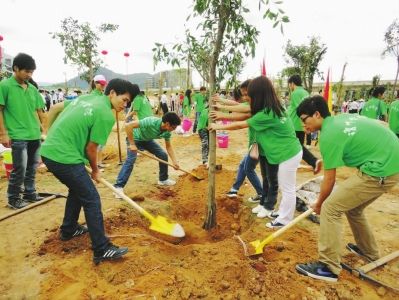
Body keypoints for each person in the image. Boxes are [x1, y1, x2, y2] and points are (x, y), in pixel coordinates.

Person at [295, 96, 399, 282]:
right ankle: (369, 251)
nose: (303, 125)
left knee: (331, 207)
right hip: (390, 162)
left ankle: (328, 267)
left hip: (380, 169)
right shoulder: (338, 120)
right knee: (353, 208)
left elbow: (330, 177)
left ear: (317, 114)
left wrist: (319, 203)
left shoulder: (329, 135)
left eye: (304, 120)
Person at [40, 78, 136, 264]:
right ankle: (102, 249)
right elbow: (91, 149)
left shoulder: (87, 98)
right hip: (64, 157)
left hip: (49, 152)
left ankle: (69, 230)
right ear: (112, 93)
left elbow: (55, 108)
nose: (125, 105)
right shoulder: (105, 115)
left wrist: (48, 132)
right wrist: (95, 170)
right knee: (91, 198)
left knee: (77, 189)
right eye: (124, 100)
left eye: (128, 103)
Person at [210, 76, 302, 228]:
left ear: (259, 95)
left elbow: (242, 123)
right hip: (280, 152)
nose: (247, 98)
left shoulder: (267, 112)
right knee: (276, 182)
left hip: (287, 153)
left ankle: (283, 219)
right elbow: (244, 111)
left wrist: (219, 126)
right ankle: (276, 210)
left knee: (286, 188)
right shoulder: (270, 107)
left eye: (250, 95)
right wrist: (222, 106)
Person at [0, 53, 47, 209]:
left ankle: (29, 192)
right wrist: (3, 133)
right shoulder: (5, 86)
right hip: (17, 134)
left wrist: (44, 130)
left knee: (32, 166)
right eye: (26, 71)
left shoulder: (32, 89)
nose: (29, 75)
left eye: (31, 72)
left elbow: (39, 112)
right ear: (15, 68)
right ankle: (13, 198)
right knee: (19, 167)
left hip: (34, 133)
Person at [211, 80, 265, 207]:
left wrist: (221, 111)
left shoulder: (257, 107)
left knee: (248, 168)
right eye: (243, 95)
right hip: (256, 144)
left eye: (246, 94)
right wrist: (222, 101)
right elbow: (238, 105)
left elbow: (240, 121)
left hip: (260, 145)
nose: (245, 97)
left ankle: (261, 193)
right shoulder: (253, 103)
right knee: (243, 165)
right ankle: (235, 189)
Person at [113, 112, 181, 197]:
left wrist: (175, 162)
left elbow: (169, 147)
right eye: (173, 127)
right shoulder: (151, 121)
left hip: (147, 140)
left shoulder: (167, 132)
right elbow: (128, 125)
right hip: (135, 139)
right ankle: (118, 187)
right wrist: (132, 144)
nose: (174, 130)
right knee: (131, 160)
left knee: (163, 155)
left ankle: (163, 179)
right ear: (167, 124)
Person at [287, 75, 322, 174]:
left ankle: (314, 161)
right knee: (299, 146)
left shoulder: (295, 93)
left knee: (296, 146)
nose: (290, 86)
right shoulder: (305, 92)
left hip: (295, 124)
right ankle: (297, 162)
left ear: (292, 83)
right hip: (302, 124)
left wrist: (304, 124)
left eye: (290, 84)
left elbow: (301, 109)